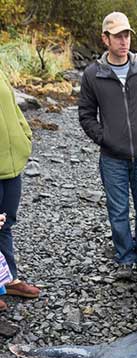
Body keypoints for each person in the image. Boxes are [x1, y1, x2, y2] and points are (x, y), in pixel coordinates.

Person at [78, 11, 137, 281]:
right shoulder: (93, 75)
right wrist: (105, 139)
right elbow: (86, 115)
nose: (124, 40)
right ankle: (125, 259)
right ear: (105, 39)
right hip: (112, 158)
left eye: (126, 35)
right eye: (117, 36)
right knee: (117, 212)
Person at [0, 68, 41, 303]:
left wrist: (25, 136)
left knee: (5, 223)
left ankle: (8, 280)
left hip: (12, 165)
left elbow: (14, 109)